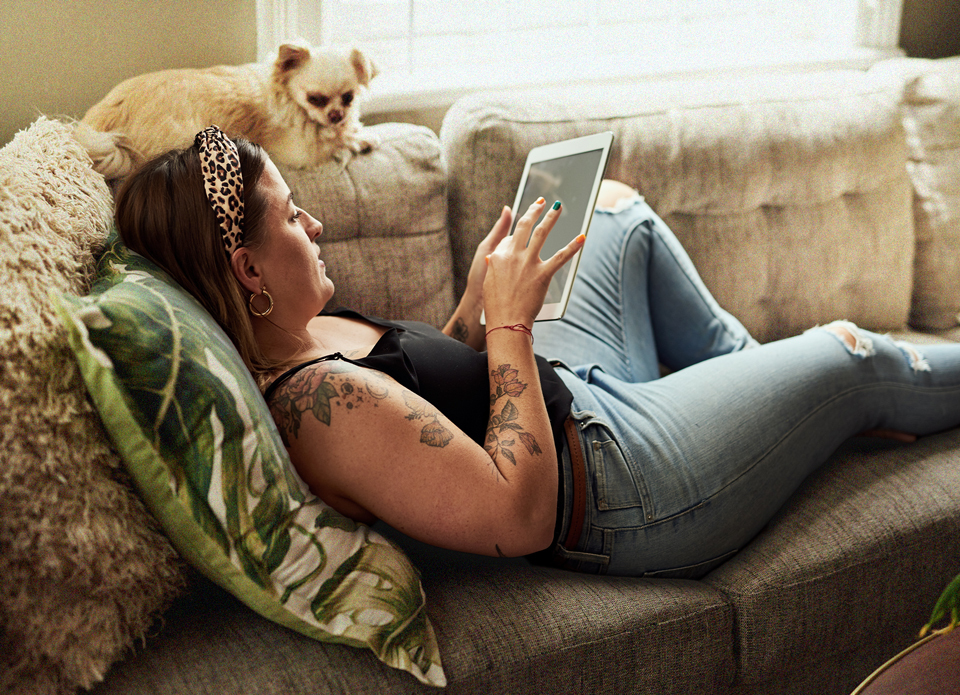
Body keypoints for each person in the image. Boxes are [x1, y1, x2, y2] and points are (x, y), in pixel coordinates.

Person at [114, 126, 960, 579]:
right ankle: (818, 401)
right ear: (248, 269)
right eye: (294, 215)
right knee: (853, 354)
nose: (316, 225)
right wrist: (512, 325)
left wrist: (476, 308)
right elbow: (516, 519)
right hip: (621, 481)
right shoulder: (312, 413)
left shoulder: (302, 340)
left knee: (616, 215)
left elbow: (426, 394)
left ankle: (762, 398)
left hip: (572, 392)